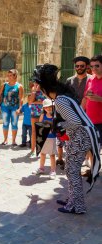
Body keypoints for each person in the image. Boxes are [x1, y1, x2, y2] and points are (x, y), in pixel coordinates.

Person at [32, 64, 100, 214]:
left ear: (46, 89)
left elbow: (75, 122)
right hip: (81, 135)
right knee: (71, 169)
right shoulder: (63, 97)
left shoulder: (60, 101)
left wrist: (60, 124)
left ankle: (78, 206)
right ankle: (72, 199)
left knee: (72, 170)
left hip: (80, 136)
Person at [82, 55, 102, 175]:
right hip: (89, 120)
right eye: (92, 66)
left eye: (97, 66)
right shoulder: (90, 79)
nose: (93, 69)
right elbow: (85, 97)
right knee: (91, 147)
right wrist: (79, 112)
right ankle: (93, 169)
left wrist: (100, 99)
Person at [0, 69, 24, 146]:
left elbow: (21, 98)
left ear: (15, 76)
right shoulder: (4, 85)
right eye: (8, 75)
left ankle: (14, 141)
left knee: (14, 124)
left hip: (15, 107)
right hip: (4, 107)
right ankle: (5, 140)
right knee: (5, 123)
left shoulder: (19, 86)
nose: (8, 77)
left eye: (10, 75)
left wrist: (19, 108)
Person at [32, 99, 57, 179]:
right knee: (42, 153)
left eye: (50, 107)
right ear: (44, 108)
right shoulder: (43, 115)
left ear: (53, 107)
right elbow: (40, 125)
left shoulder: (55, 116)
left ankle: (53, 171)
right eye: (46, 107)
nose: (48, 109)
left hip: (52, 138)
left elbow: (56, 126)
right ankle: (41, 168)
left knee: (52, 155)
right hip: (44, 137)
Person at [28, 81, 46, 156]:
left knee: (42, 131)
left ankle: (41, 150)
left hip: (44, 112)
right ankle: (32, 150)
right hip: (34, 113)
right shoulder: (33, 89)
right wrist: (34, 91)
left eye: (38, 83)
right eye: (36, 83)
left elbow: (46, 102)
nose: (37, 84)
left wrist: (36, 101)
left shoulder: (45, 89)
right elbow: (30, 102)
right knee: (34, 131)